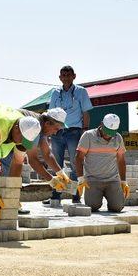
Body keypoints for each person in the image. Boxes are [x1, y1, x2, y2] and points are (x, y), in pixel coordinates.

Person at [0, 108, 73, 212]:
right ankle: (10, 205)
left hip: (13, 135)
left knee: (13, 166)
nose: (56, 133)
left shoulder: (41, 126)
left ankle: (10, 203)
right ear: (48, 123)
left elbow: (47, 154)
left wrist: (62, 175)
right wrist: (51, 180)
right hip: (4, 132)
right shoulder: (34, 128)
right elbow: (33, 160)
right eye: (56, 129)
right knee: (11, 166)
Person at [48, 65, 93, 203]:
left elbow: (86, 112)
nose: (66, 78)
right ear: (60, 78)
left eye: (69, 75)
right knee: (56, 164)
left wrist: (84, 131)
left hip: (74, 131)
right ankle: (56, 195)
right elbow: (50, 114)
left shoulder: (81, 91)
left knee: (75, 163)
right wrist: (49, 132)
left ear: (74, 76)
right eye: (63, 75)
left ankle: (76, 195)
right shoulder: (55, 92)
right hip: (57, 132)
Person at [75, 114, 129, 213]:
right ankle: (96, 199)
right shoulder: (88, 136)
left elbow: (121, 160)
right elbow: (79, 158)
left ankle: (112, 199)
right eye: (107, 131)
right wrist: (81, 179)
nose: (108, 135)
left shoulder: (118, 138)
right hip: (93, 179)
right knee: (92, 206)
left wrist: (123, 181)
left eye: (111, 133)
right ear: (101, 124)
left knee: (118, 207)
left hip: (112, 179)